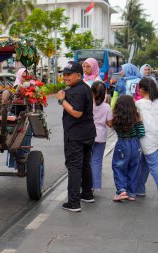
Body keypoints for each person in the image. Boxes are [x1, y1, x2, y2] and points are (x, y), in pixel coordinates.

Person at [56, 61, 96, 212]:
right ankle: (87, 194)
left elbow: (77, 113)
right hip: (88, 134)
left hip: (76, 136)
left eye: (69, 74)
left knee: (74, 167)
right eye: (64, 74)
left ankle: (73, 202)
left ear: (78, 75)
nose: (65, 77)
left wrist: (61, 100)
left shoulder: (75, 91)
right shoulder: (84, 87)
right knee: (85, 164)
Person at [112, 95, 145, 201]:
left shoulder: (117, 117)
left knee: (118, 167)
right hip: (135, 144)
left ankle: (122, 191)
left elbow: (115, 129)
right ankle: (131, 193)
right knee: (134, 168)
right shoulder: (136, 116)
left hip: (122, 143)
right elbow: (141, 132)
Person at [135, 78, 158, 196]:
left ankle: (139, 188)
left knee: (154, 165)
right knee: (143, 163)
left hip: (147, 138)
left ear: (142, 90)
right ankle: (139, 188)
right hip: (155, 136)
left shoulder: (139, 104)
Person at [90, 81, 112, 192]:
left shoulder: (88, 104)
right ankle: (96, 186)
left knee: (87, 161)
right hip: (101, 137)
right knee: (97, 162)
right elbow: (109, 124)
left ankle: (87, 185)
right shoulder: (107, 107)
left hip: (89, 135)